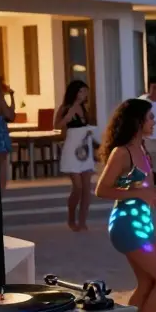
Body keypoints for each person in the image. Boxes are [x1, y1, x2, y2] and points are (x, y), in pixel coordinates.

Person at [94, 98, 156, 312]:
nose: (154, 121)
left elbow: (144, 187)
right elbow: (102, 190)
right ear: (137, 121)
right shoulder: (121, 153)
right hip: (127, 224)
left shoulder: (141, 149)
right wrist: (140, 193)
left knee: (146, 283)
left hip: (141, 224)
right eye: (150, 117)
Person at [55, 80, 95, 231]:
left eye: (86, 91)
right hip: (72, 149)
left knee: (87, 188)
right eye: (82, 91)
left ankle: (83, 221)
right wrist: (68, 116)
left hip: (85, 148)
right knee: (77, 187)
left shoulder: (85, 108)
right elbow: (57, 126)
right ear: (75, 92)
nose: (85, 94)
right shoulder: (65, 107)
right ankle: (71, 217)